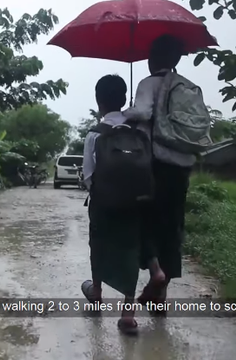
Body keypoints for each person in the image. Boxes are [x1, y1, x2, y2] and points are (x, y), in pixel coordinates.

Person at [123, 34, 195, 314]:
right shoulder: (187, 87)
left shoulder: (148, 84)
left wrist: (127, 111)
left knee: (143, 220)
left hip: (153, 165)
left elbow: (142, 112)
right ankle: (161, 299)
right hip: (182, 168)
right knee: (171, 227)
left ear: (153, 59)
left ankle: (155, 272)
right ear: (176, 59)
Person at [81, 74, 156, 335]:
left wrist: (104, 195)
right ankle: (127, 315)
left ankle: (97, 292)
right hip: (135, 203)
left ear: (98, 101)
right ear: (125, 99)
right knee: (130, 251)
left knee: (99, 244)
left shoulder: (94, 134)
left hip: (103, 204)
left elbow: (88, 176)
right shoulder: (140, 131)